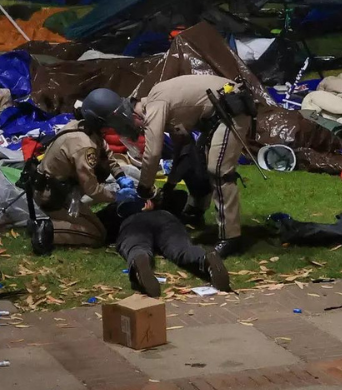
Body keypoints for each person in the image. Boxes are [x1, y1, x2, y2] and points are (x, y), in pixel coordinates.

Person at [132, 75, 252, 258]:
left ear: (135, 114)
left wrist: (144, 188)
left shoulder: (154, 106)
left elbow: (153, 153)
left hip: (231, 107)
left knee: (219, 171)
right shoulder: (163, 103)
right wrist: (170, 184)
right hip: (219, 111)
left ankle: (231, 237)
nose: (140, 129)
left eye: (136, 125)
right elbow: (183, 149)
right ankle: (197, 211)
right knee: (200, 160)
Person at [28, 88, 134, 248]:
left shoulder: (84, 127)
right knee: (98, 235)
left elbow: (106, 155)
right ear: (99, 121)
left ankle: (59, 222)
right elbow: (92, 189)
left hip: (61, 188)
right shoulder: (84, 145)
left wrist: (120, 176)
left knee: (96, 224)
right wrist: (116, 196)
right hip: (53, 195)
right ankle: (47, 229)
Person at [116, 189, 232, 297]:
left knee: (136, 246)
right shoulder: (149, 191)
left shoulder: (119, 204)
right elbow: (180, 195)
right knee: (181, 248)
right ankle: (204, 256)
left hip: (133, 222)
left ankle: (138, 259)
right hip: (164, 217)